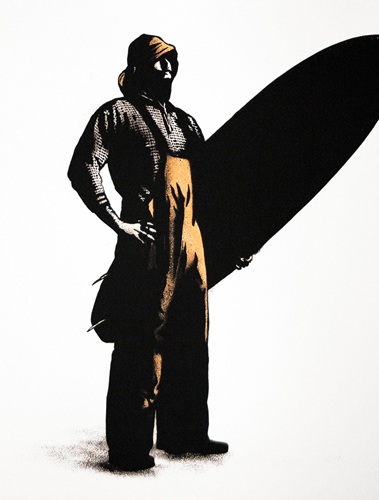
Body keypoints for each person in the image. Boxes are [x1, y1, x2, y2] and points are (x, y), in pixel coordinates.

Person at [68, 34, 228, 472]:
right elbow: (83, 166)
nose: (168, 68)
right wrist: (118, 223)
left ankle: (185, 433)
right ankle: (129, 447)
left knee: (193, 333)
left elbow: (211, 188)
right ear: (138, 66)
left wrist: (234, 241)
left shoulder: (186, 123)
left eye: (172, 60)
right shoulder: (117, 114)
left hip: (192, 240)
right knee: (142, 338)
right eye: (159, 60)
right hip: (149, 242)